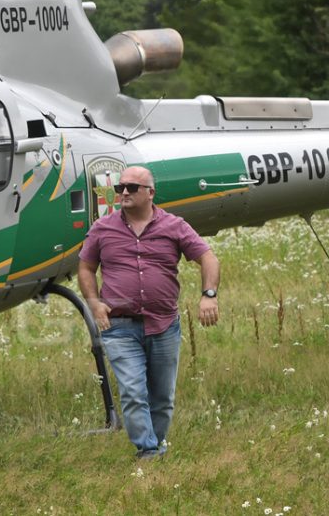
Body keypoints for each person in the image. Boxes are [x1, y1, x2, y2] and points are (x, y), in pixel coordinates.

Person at [78, 165, 220, 459]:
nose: (124, 193)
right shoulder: (102, 229)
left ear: (150, 193)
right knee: (132, 392)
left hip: (164, 324)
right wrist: (94, 302)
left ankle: (157, 442)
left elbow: (207, 257)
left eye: (132, 188)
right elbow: (86, 268)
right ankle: (148, 450)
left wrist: (208, 295)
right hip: (118, 325)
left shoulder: (175, 226)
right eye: (120, 188)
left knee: (162, 398)